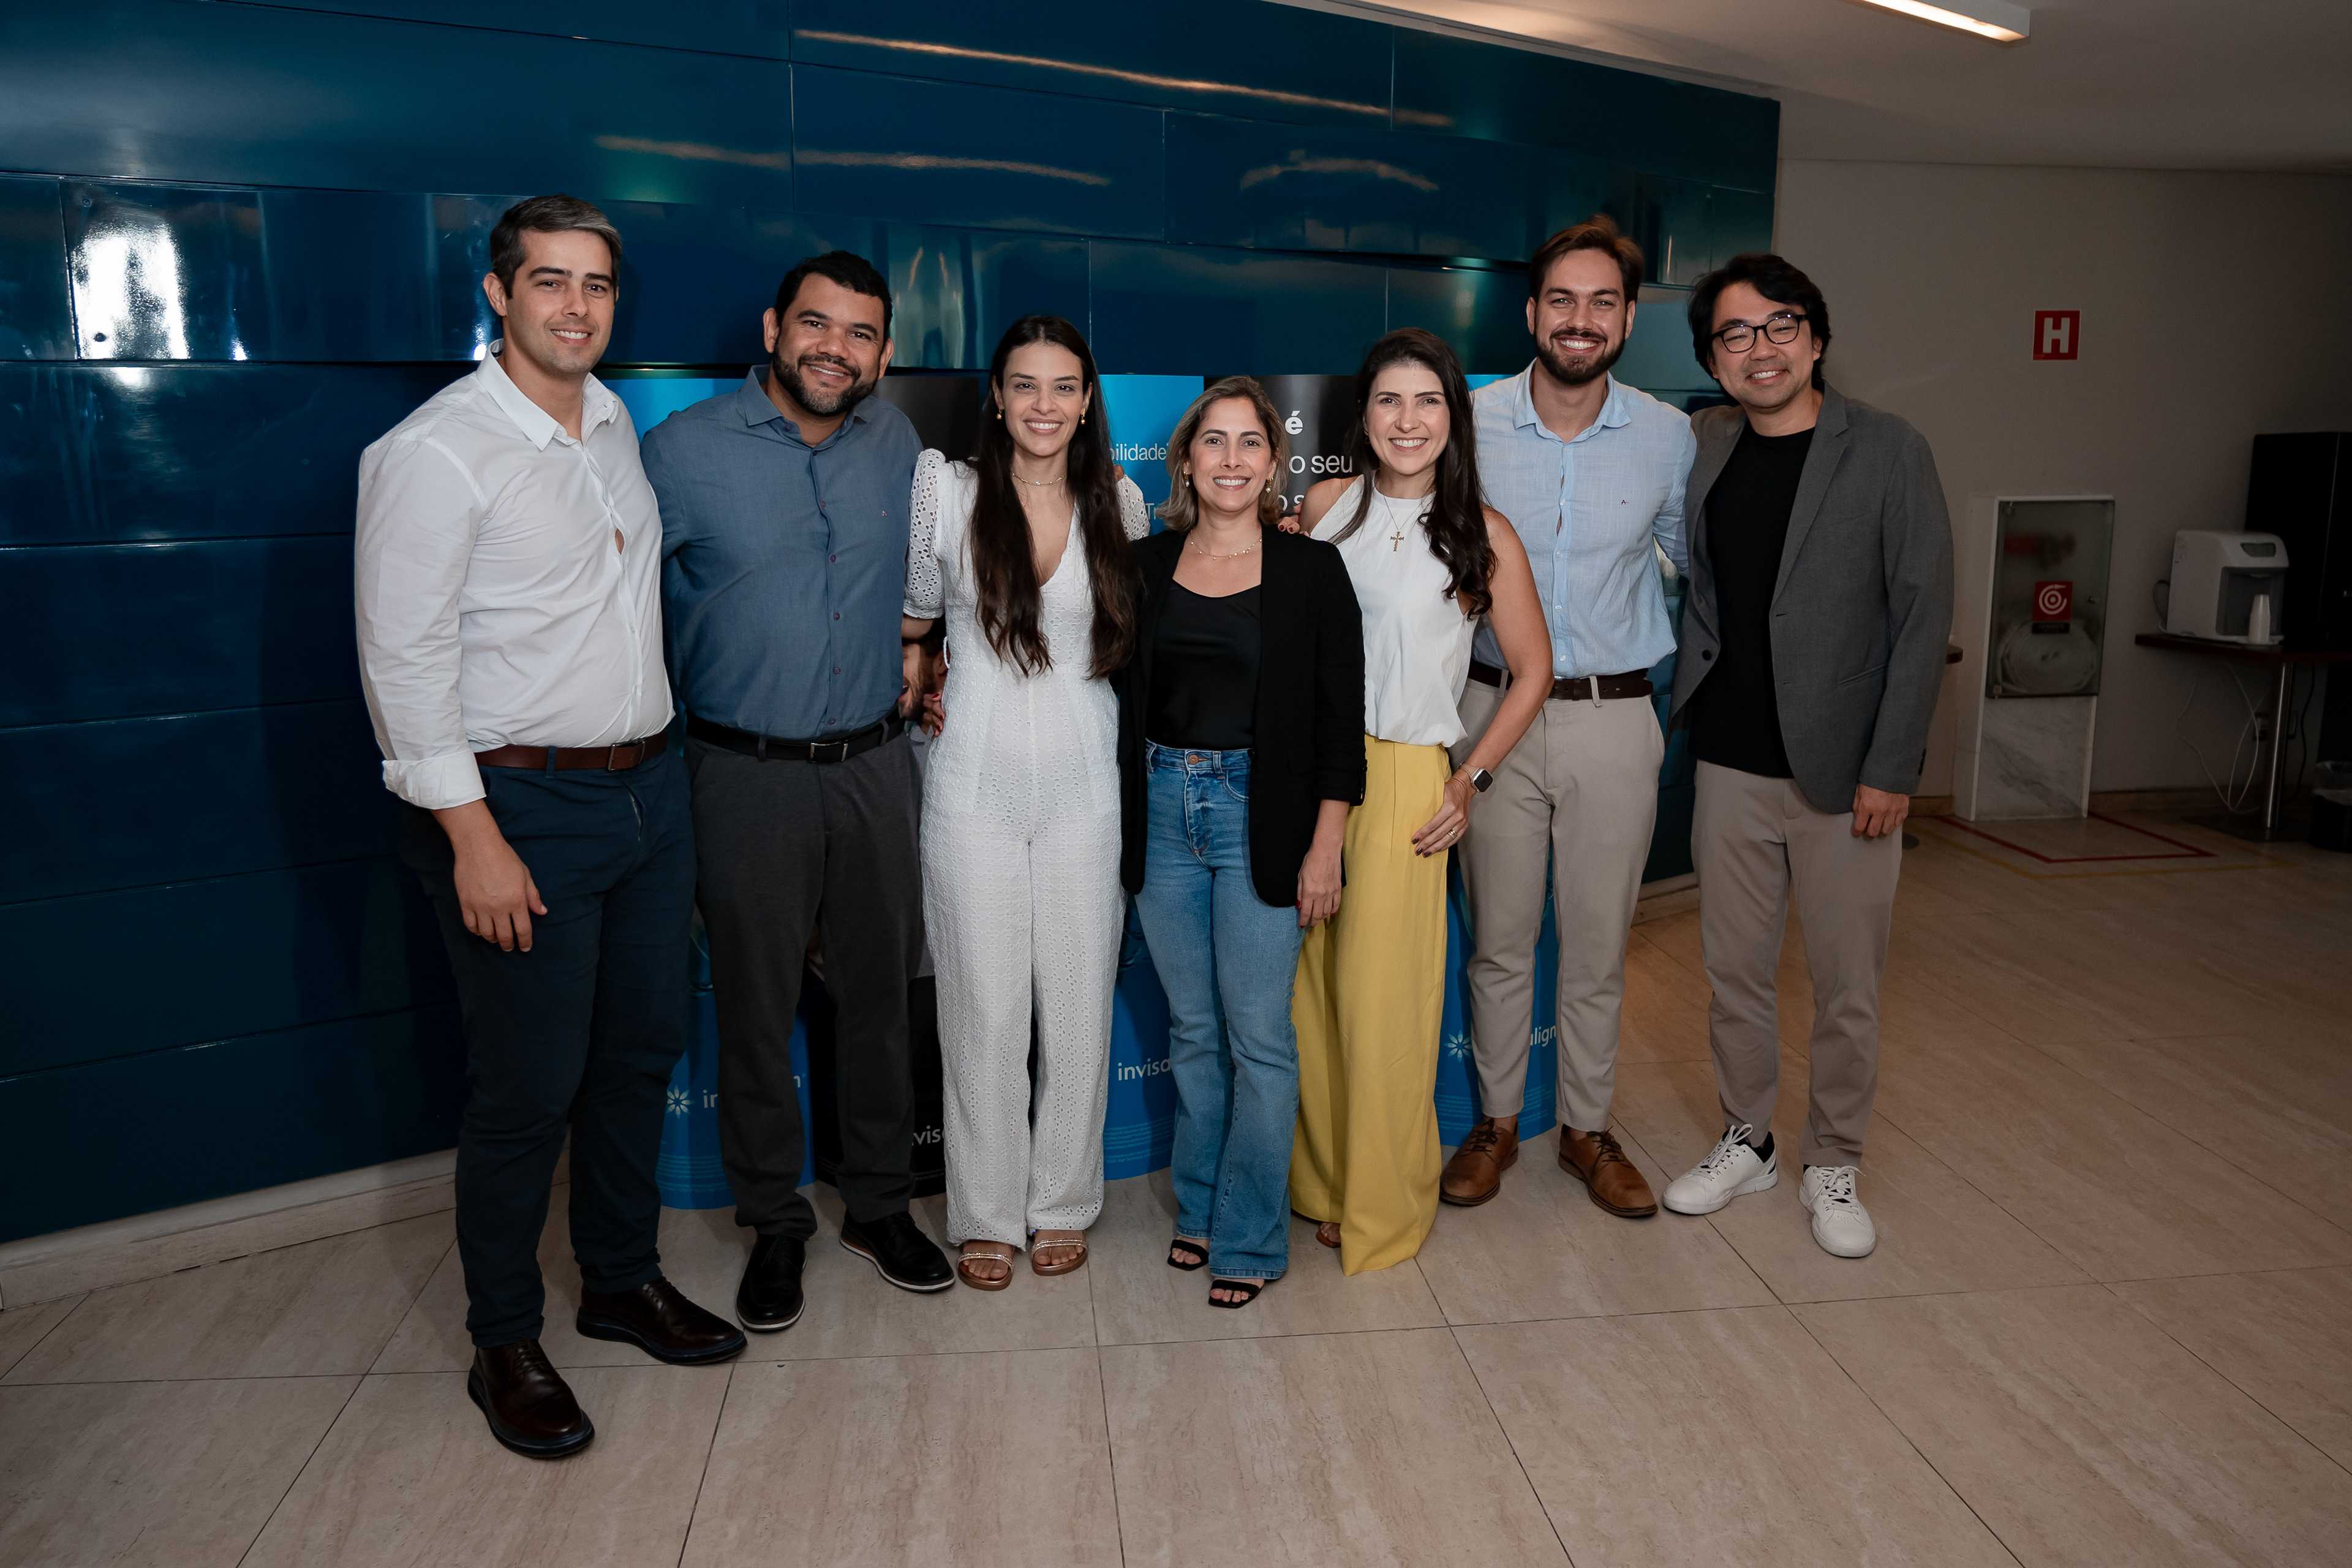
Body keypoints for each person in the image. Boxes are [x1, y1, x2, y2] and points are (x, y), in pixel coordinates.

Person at [358, 195, 744, 1459]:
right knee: (525, 1087)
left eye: (597, 285)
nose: (577, 307)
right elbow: (403, 660)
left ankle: (620, 1279)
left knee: (637, 1055)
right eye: (550, 282)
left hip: (648, 792)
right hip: (516, 808)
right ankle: (504, 1340)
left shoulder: (615, 423)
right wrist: (472, 837)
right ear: (499, 292)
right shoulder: (436, 451)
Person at [641, 251, 953, 1330]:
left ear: (884, 352)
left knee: (878, 1005)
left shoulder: (897, 444)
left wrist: (923, 651)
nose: (836, 349)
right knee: (757, 1013)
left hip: (874, 766)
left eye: (860, 333)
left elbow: (923, 583)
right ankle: (774, 1221)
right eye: (816, 324)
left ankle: (878, 1206)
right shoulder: (680, 452)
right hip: (743, 775)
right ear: (774, 327)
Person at [1660, 252, 1953, 1259]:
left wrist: (1894, 766)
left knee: (1846, 987)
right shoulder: (1708, 444)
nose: (1761, 348)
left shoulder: (1888, 449)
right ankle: (1749, 1140)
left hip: (1846, 773)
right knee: (1734, 974)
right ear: (1714, 359)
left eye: (1780, 325)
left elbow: (1923, 616)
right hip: (1729, 759)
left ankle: (1834, 1159)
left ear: (1816, 338)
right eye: (1735, 335)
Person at [1439, 214, 1699, 1218]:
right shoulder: (1467, 421)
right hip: (1489, 714)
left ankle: (1588, 1130)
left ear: (1628, 319)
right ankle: (1497, 1124)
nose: (1579, 319)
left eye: (1601, 302)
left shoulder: (1668, 436)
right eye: (1562, 300)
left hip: (1614, 718)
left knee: (1597, 946)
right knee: (1499, 939)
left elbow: (1696, 566)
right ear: (1531, 313)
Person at [1287, 328, 1551, 1275]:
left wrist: (1468, 780)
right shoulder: (1325, 506)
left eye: (1428, 401)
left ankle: (1384, 1206)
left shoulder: (1483, 532)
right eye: (1390, 400)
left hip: (1403, 776)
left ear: (1454, 417)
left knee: (1385, 1008)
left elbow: (1533, 671)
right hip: (1304, 767)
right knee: (1311, 998)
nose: (1408, 420)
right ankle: (1325, 1185)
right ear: (1363, 415)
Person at [900, 315, 1148, 1290]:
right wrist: (923, 681)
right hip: (969, 785)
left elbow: (1140, 643)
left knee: (1078, 1004)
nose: (1044, 404)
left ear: (1087, 403)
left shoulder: (1120, 502)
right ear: (997, 399)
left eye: (1064, 386)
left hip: (1090, 786)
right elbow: (915, 625)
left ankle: (1064, 1202)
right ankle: (988, 1213)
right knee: (983, 1006)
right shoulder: (947, 492)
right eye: (1025, 385)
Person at [1117, 377, 1364, 1308]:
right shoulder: (1143, 565)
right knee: (1192, 1031)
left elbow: (1340, 720)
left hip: (1261, 813)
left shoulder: (1311, 570)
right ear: (1186, 461)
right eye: (1213, 441)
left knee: (1258, 1037)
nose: (1230, 458)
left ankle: (1251, 1237)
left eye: (1249, 442)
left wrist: (1326, 844)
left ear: (1272, 461)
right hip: (1160, 808)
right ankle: (1201, 1207)